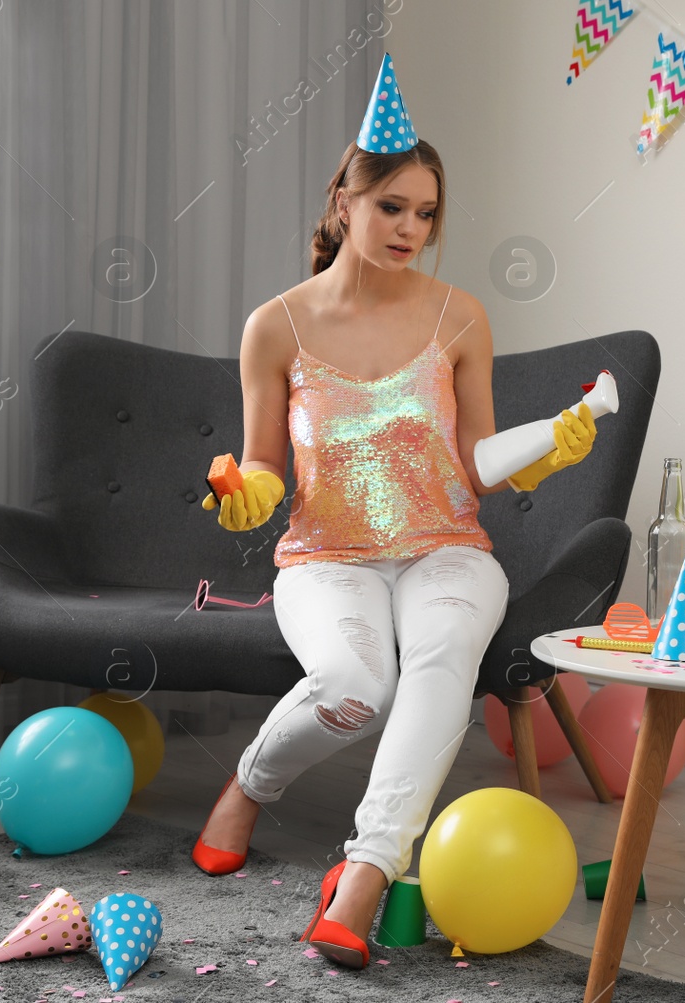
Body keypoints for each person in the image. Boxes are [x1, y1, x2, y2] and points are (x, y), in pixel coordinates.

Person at [190, 55, 597, 969]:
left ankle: (366, 874)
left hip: (447, 548)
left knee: (445, 656)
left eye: (426, 213)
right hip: (325, 557)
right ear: (345, 202)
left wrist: (549, 444)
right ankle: (251, 783)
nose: (412, 227)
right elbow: (263, 467)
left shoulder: (461, 317)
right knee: (354, 690)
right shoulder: (276, 326)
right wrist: (244, 493)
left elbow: (478, 464)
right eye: (392, 207)